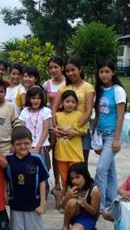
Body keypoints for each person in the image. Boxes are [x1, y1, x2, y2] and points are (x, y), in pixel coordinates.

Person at [93, 61, 126, 211]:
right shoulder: (99, 90)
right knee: (110, 170)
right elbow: (97, 114)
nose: (104, 75)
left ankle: (99, 205)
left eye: (107, 71)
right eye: (101, 72)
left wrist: (117, 139)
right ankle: (112, 200)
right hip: (101, 134)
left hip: (112, 135)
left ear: (113, 72)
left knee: (101, 169)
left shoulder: (118, 91)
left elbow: (120, 116)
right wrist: (94, 135)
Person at [6, 126, 48, 230]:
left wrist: (43, 203)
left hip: (33, 202)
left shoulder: (36, 159)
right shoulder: (8, 159)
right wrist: (5, 195)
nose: (23, 146)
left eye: (26, 143)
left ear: (31, 142)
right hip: (16, 202)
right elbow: (4, 179)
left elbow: (42, 181)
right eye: (19, 144)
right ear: (13, 145)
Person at [53, 59, 95, 166]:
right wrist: (55, 126)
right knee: (62, 161)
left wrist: (75, 129)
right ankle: (60, 183)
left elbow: (89, 110)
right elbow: (54, 108)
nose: (70, 73)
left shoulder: (88, 87)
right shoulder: (64, 86)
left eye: (73, 70)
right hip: (64, 132)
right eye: (67, 71)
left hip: (81, 131)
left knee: (81, 165)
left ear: (80, 69)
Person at [43, 57, 66, 202]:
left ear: (62, 68)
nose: (53, 70)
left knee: (63, 154)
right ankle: (56, 183)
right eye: (51, 67)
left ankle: (66, 183)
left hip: (66, 121)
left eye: (56, 67)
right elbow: (44, 102)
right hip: (52, 123)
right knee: (54, 154)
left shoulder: (67, 83)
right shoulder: (47, 84)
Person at [54, 90, 87, 192]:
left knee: (76, 177)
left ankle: (78, 197)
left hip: (75, 154)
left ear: (76, 104)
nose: (70, 104)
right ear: (62, 103)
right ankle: (65, 197)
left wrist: (75, 133)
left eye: (73, 102)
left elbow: (84, 131)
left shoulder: (79, 115)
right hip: (61, 153)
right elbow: (54, 129)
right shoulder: (57, 115)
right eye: (67, 101)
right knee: (64, 178)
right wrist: (55, 130)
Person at [60, 163, 100, 230]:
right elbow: (61, 207)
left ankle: (88, 229)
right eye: (72, 178)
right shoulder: (70, 187)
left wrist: (85, 204)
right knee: (72, 202)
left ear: (84, 176)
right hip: (75, 214)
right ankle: (65, 226)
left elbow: (94, 212)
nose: (74, 181)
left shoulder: (94, 190)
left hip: (88, 217)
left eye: (77, 177)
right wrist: (67, 196)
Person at [18, 86, 52, 161]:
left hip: (42, 145)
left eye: (38, 98)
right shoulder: (24, 112)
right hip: (26, 146)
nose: (36, 101)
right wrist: (29, 147)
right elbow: (22, 131)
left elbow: (45, 131)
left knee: (43, 169)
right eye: (33, 98)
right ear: (29, 99)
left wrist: (37, 147)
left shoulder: (46, 111)